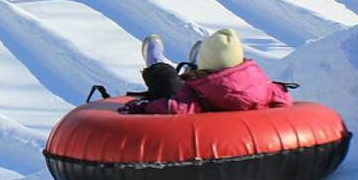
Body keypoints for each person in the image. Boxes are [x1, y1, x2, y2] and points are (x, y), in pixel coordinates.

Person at [121, 29, 293, 115]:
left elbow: (175, 108)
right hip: (230, 82)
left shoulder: (197, 95)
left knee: (167, 81)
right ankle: (196, 64)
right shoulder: (262, 83)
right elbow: (283, 99)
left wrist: (142, 107)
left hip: (202, 97)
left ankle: (156, 59)